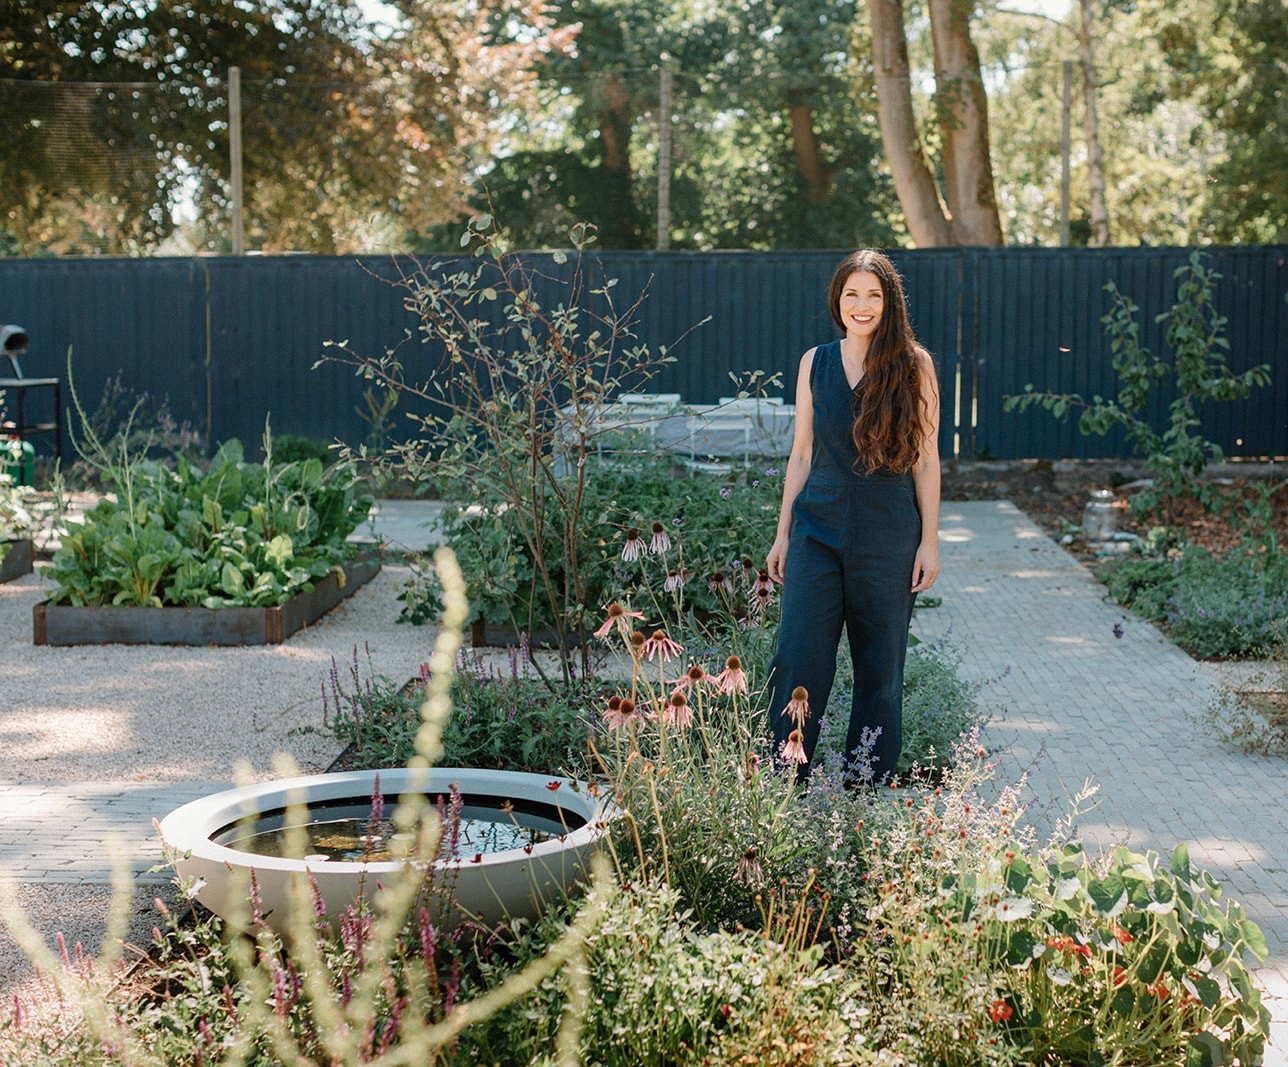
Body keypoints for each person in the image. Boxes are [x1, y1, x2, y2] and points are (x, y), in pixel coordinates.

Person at [765, 249, 941, 785]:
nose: (861, 306)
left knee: (880, 672)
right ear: (837, 300)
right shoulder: (813, 362)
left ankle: (863, 794)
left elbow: (928, 458)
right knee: (798, 659)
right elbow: (801, 453)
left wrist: (928, 542)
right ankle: (780, 786)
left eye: (874, 295)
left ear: (889, 304)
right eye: (851, 294)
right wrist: (783, 534)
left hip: (888, 535)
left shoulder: (915, 365)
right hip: (817, 529)